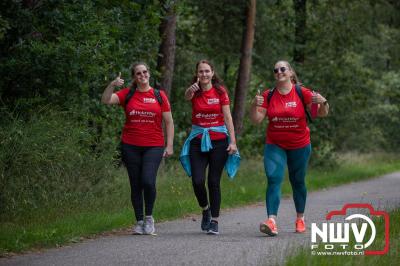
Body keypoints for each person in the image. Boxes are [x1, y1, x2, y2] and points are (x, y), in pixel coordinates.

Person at [250, 60, 329, 236]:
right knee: (273, 178)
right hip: (275, 144)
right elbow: (256, 120)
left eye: (283, 69)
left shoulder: (302, 93)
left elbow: (318, 115)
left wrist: (323, 102)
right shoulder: (268, 95)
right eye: (275, 69)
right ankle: (271, 221)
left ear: (291, 73)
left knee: (298, 181)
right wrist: (253, 104)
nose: (279, 72)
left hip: (299, 145)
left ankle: (300, 218)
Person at [101, 62, 174, 235]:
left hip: (154, 145)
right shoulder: (128, 94)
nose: (142, 75)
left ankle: (149, 218)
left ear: (149, 73)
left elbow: (169, 121)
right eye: (138, 73)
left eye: (145, 72)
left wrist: (169, 145)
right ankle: (139, 221)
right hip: (130, 146)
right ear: (134, 77)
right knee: (135, 184)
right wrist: (112, 85)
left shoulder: (159, 95)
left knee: (148, 181)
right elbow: (105, 100)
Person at [180, 60, 238, 235]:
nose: (204, 74)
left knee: (213, 181)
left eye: (207, 71)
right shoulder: (194, 91)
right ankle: (205, 209)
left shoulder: (220, 92)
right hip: (197, 141)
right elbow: (186, 96)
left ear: (212, 73)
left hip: (219, 141)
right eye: (201, 71)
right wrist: (190, 90)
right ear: (197, 74)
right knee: (197, 180)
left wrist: (233, 142)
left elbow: (228, 117)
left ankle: (215, 221)